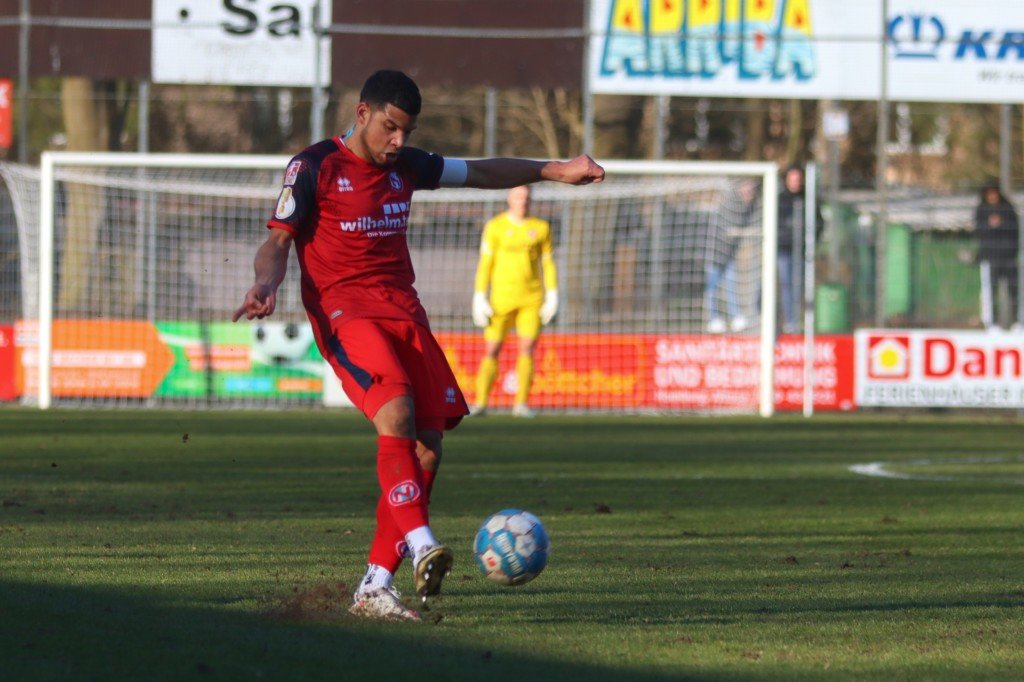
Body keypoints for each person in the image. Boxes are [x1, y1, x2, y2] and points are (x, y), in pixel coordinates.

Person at [232, 70, 603, 622]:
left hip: (405, 312)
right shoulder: (313, 167)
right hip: (344, 312)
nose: (397, 141)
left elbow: (479, 171)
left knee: (428, 444)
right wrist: (266, 283)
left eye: (405, 131)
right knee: (397, 414)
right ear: (362, 114)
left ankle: (375, 585)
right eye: (389, 128)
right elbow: (278, 241)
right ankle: (425, 544)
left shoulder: (408, 164)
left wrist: (553, 170)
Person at [470, 186, 558, 417]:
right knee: (492, 349)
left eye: (527, 197)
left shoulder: (541, 228)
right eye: (518, 196)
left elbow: (548, 264)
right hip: (501, 298)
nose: (522, 201)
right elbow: (485, 263)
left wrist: (553, 294)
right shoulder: (495, 226)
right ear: (510, 198)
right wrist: (479, 295)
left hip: (532, 298)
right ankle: (481, 403)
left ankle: (521, 404)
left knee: (527, 348)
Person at [705, 178, 759, 333]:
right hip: (714, 253)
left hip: (729, 254)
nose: (749, 193)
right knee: (712, 287)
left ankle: (735, 317)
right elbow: (727, 229)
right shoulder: (730, 205)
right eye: (747, 188)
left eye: (752, 190)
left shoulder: (750, 207)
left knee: (731, 285)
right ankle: (713, 318)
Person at [776, 164, 820, 333]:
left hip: (801, 250)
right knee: (786, 283)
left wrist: (811, 241)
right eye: (792, 178)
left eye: (798, 179)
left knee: (800, 285)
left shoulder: (808, 199)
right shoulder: (780, 199)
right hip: (784, 249)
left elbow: (819, 222)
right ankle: (789, 321)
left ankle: (798, 320)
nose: (795, 182)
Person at [975, 182, 1020, 330]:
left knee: (1013, 289)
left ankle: (1016, 321)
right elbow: (979, 232)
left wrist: (1002, 224)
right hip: (990, 257)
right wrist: (990, 226)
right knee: (990, 290)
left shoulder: (1007, 208)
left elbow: (1014, 230)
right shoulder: (982, 210)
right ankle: (991, 322)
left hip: (1008, 256)